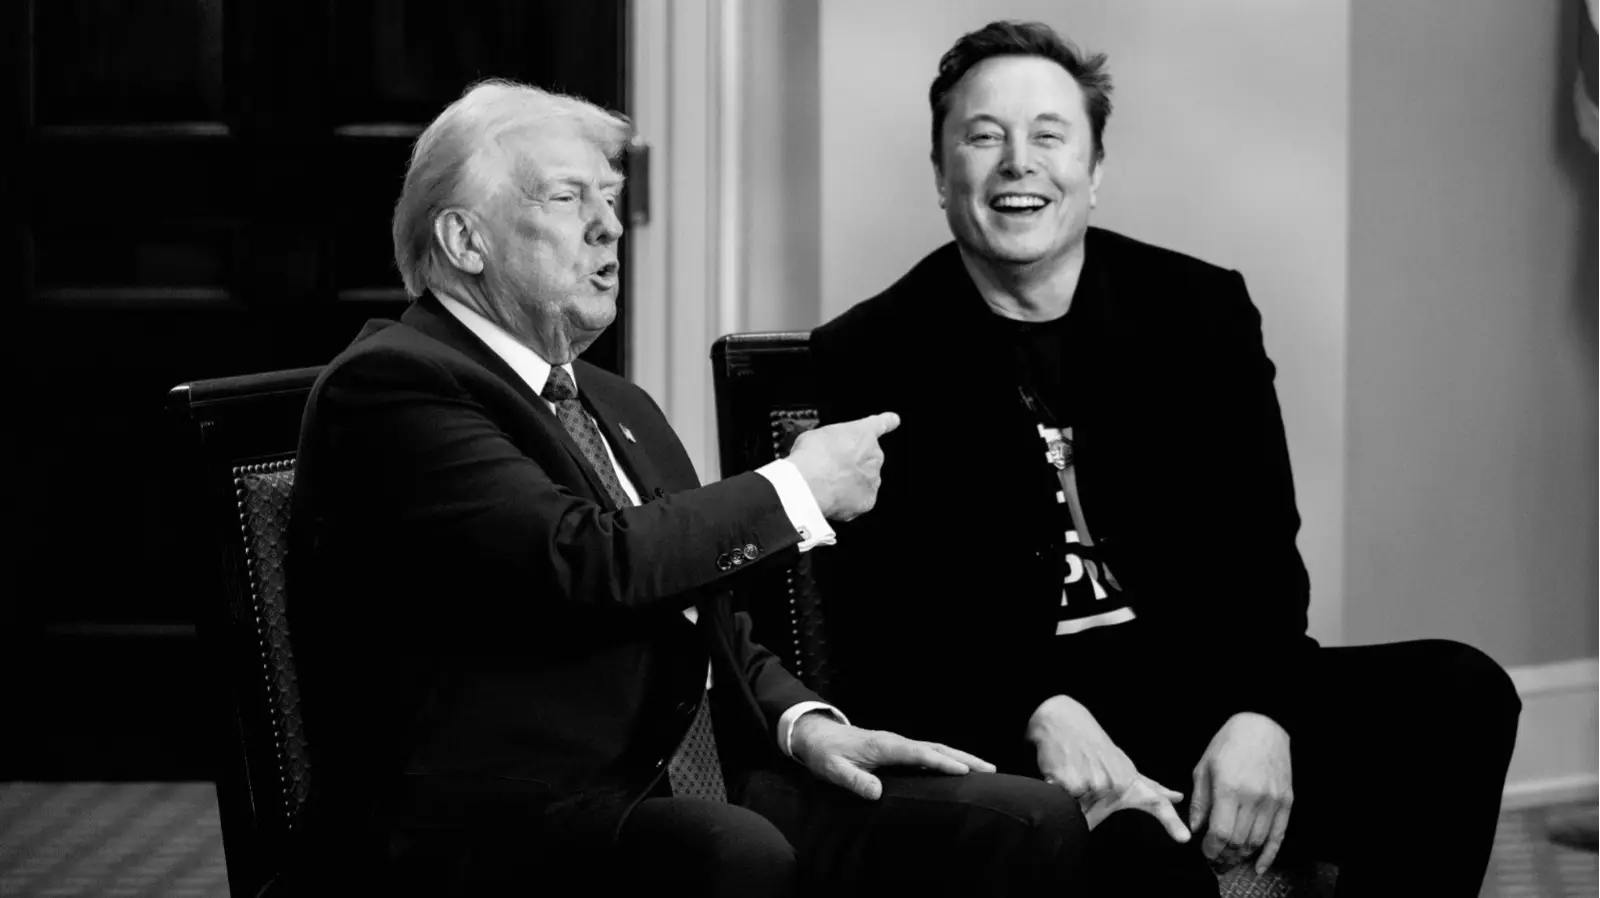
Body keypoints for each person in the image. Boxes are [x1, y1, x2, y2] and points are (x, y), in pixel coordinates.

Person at [284, 79, 1086, 897]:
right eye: (567, 197)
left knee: (1024, 823)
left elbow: (705, 617)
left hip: (689, 781)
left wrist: (802, 724)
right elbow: (582, 561)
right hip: (498, 825)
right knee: (730, 851)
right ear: (464, 239)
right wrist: (794, 490)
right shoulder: (395, 385)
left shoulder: (615, 401)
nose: (608, 225)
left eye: (609, 197)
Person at [809, 20, 1522, 898]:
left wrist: (1262, 713)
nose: (1018, 163)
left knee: (1460, 692)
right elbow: (886, 617)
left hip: (1198, 691)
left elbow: (1264, 555)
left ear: (1095, 170)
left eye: (1049, 135)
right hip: (1014, 717)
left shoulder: (1199, 311)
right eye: (984, 136)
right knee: (1138, 864)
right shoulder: (870, 352)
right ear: (940, 172)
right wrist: (1036, 711)